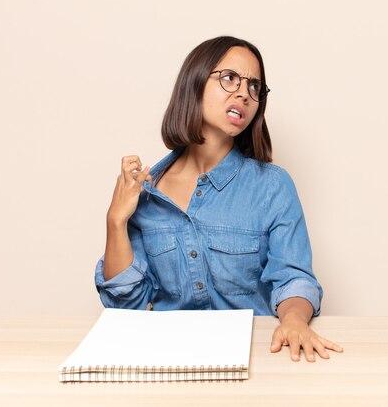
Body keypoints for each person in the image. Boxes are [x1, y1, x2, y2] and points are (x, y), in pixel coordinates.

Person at [94, 36, 343, 362]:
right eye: (229, 78)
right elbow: (126, 307)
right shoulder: (146, 191)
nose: (244, 93)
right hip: (169, 362)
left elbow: (293, 278)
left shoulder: (272, 186)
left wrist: (294, 321)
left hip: (256, 359)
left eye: (255, 87)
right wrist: (115, 220)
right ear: (194, 82)